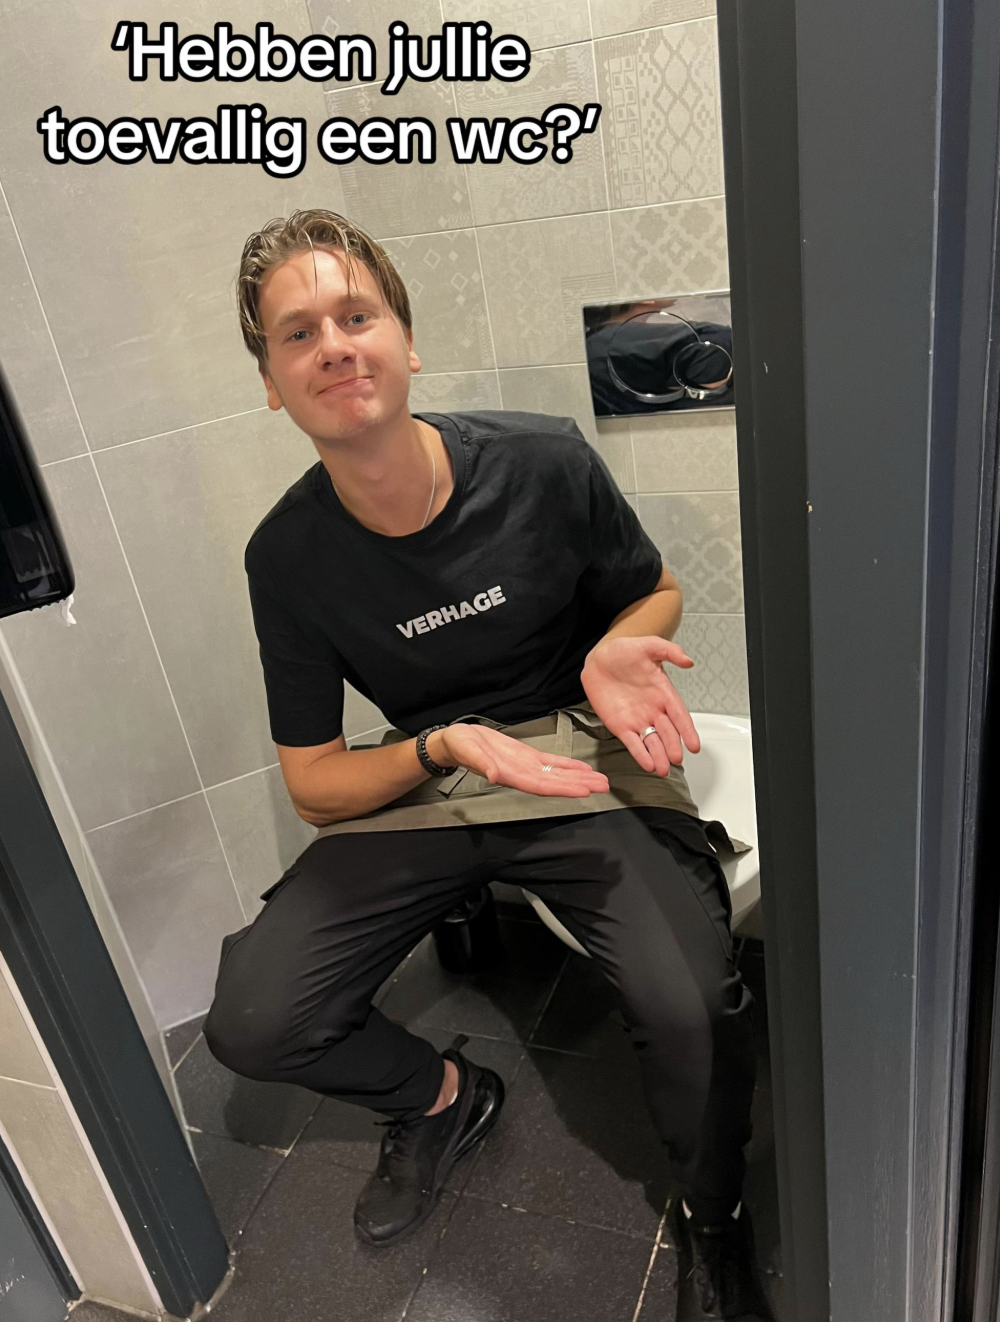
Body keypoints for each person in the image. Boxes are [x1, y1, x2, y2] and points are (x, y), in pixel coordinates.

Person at [202, 208, 774, 1321]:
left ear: (407, 342)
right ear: (271, 381)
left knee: (694, 1005)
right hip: (438, 780)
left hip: (580, 753)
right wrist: (438, 745)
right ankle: (440, 1097)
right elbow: (315, 782)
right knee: (256, 1018)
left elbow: (653, 589)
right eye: (297, 333)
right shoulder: (288, 555)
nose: (334, 346)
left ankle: (716, 1219)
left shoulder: (542, 461)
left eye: (356, 315)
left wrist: (612, 649)